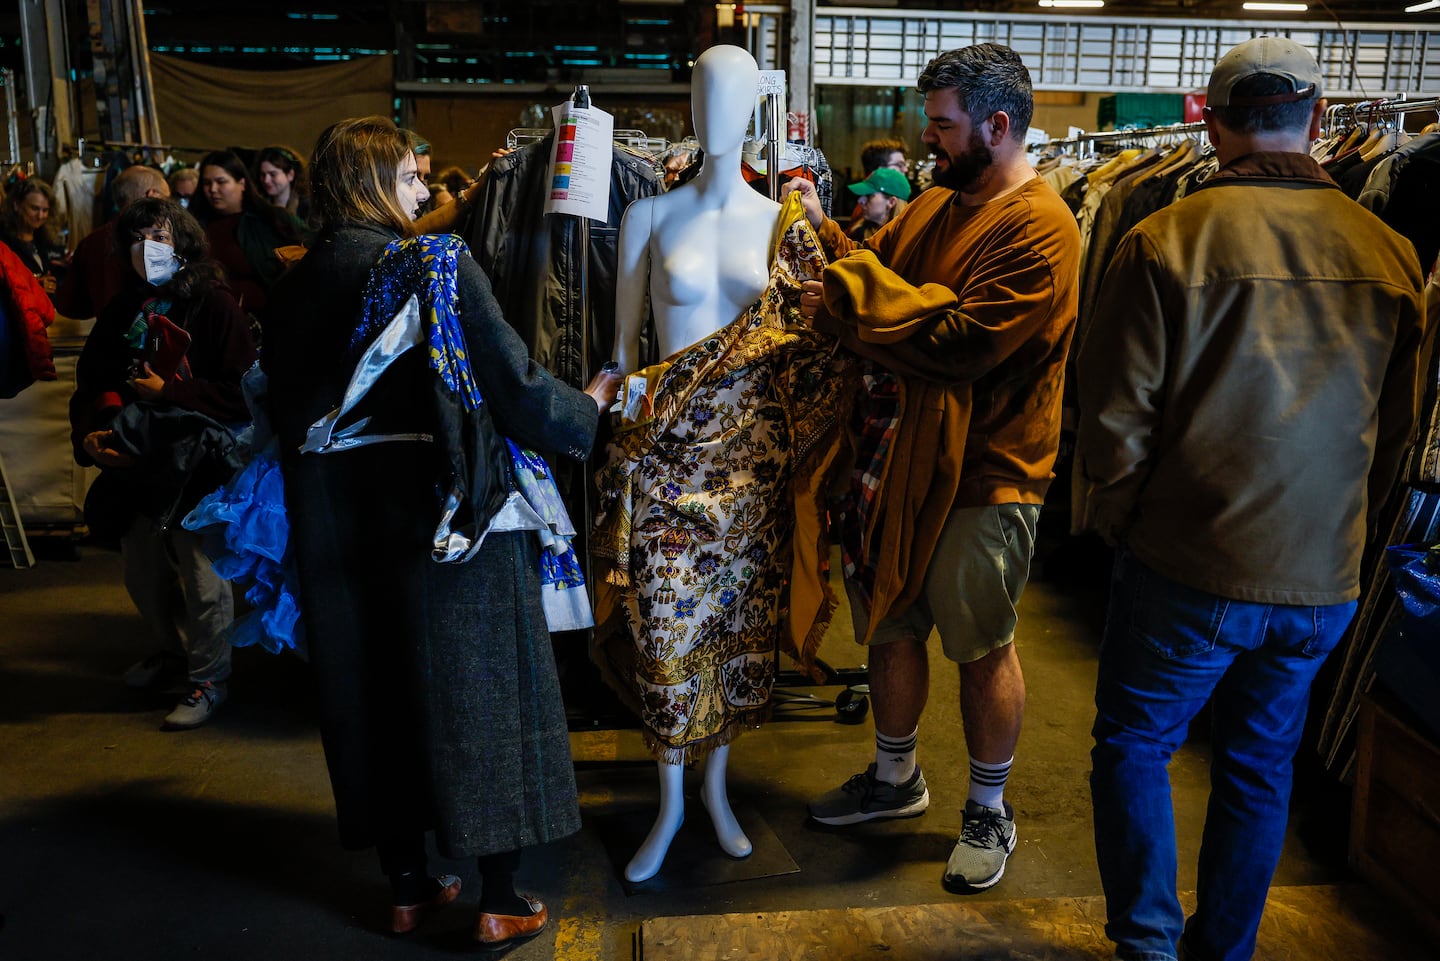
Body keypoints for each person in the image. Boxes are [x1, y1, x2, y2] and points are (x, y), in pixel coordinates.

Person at [1074, 37, 1427, 961]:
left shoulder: (1166, 239)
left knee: (1137, 741)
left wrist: (1114, 518)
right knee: (1261, 766)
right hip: (1321, 576)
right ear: (1315, 123)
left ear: (1214, 122)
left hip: (1191, 559)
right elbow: (1395, 439)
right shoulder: (1389, 251)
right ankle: (1221, 951)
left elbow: (1114, 419)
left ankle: (1148, 944)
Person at [262, 116, 621, 946]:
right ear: (374, 181)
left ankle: (408, 886)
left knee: (372, 693)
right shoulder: (433, 264)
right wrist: (590, 404)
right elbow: (515, 387)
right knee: (484, 691)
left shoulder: (292, 283)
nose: (425, 192)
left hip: (337, 520)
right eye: (412, 176)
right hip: (448, 513)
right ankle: (499, 898)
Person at [785, 42, 1080, 892]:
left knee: (980, 643)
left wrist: (844, 312)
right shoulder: (938, 202)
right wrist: (819, 233)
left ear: (998, 123)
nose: (930, 137)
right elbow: (888, 281)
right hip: (900, 454)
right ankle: (893, 778)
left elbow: (959, 344)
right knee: (890, 622)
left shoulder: (1040, 228)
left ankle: (989, 806)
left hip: (988, 472)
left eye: (944, 124)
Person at [599, 43, 796, 885]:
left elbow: (807, 351)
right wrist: (605, 397)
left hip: (754, 472)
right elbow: (618, 355)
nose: (714, 108)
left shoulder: (784, 225)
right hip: (669, 467)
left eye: (733, 94)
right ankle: (671, 800)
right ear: (687, 101)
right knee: (667, 635)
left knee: (737, 635)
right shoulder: (648, 217)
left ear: (755, 108)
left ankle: (715, 791)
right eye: (701, 91)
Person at [69, 197, 256, 728]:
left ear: (184, 240)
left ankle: (208, 680)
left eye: (159, 236)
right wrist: (95, 432)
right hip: (138, 464)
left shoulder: (215, 305)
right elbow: (94, 381)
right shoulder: (122, 308)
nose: (146, 249)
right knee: (141, 572)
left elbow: (243, 393)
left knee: (202, 578)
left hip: (196, 464)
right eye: (135, 239)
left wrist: (173, 392)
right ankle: (168, 652)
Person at [190, 150, 307, 323]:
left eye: (221, 181)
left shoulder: (272, 219)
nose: (213, 189)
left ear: (242, 183)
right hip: (216, 320)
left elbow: (314, 244)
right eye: (207, 183)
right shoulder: (196, 227)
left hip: (270, 321)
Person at [53, 165, 169, 320]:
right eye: (166, 198)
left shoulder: (91, 242)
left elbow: (73, 307)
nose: (169, 206)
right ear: (152, 195)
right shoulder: (160, 241)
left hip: (108, 336)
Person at [1, 179, 67, 294]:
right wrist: (33, 286)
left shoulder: (44, 238)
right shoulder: (4, 244)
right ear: (16, 205)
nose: (40, 216)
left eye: (45, 210)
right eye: (34, 208)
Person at [845, 166, 910, 242]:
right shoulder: (858, 232)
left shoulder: (904, 241)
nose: (860, 200)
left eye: (869, 196)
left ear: (891, 202)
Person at [253, 145, 310, 223]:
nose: (266, 180)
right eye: (263, 175)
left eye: (273, 174)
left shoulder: (306, 208)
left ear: (290, 175)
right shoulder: (258, 206)